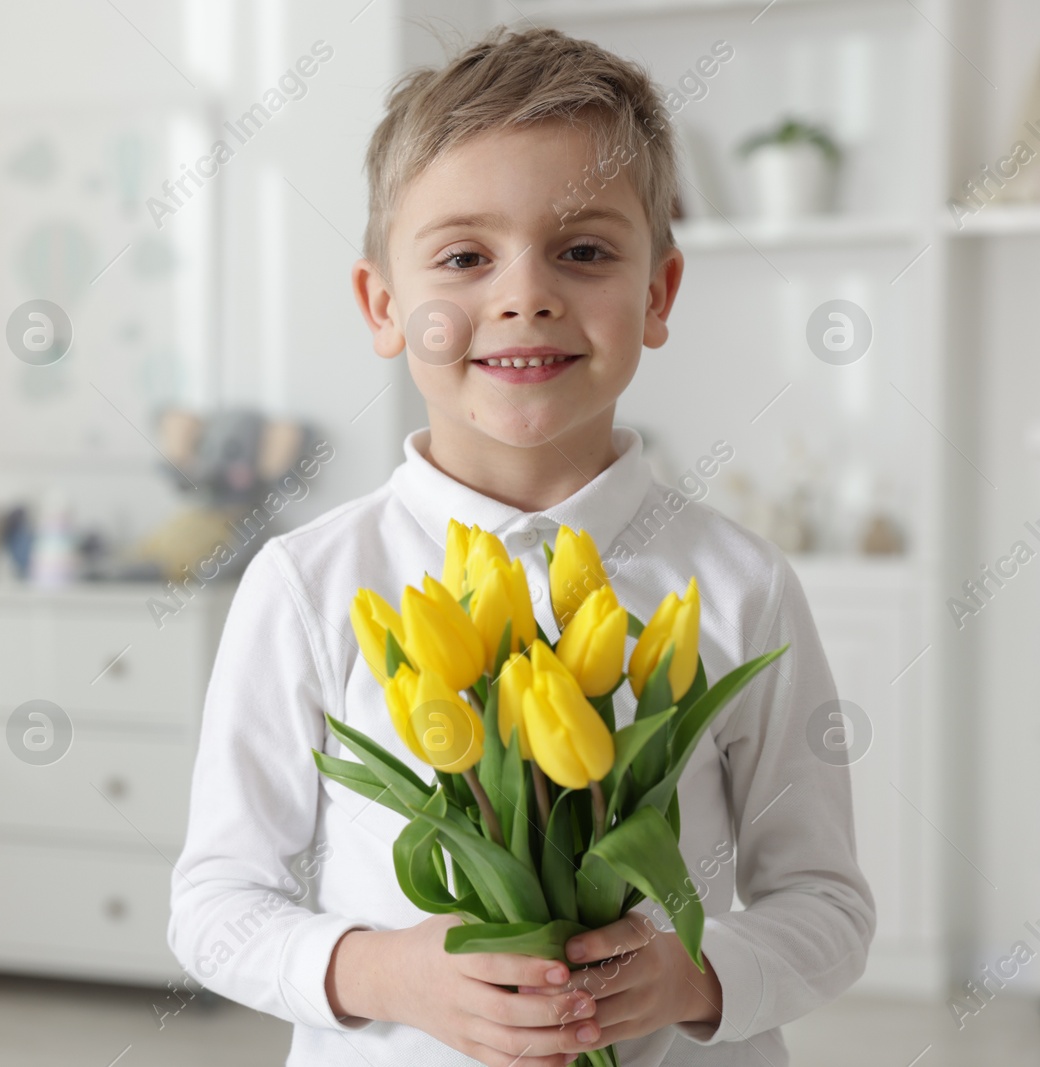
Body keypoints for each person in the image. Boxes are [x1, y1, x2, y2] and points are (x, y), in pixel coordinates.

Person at [166, 24, 875, 1067]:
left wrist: (695, 970)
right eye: (463, 256)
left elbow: (825, 903)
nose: (524, 293)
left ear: (658, 294)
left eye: (582, 250)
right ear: (384, 304)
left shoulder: (735, 583)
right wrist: (383, 969)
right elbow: (215, 904)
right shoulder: (311, 585)